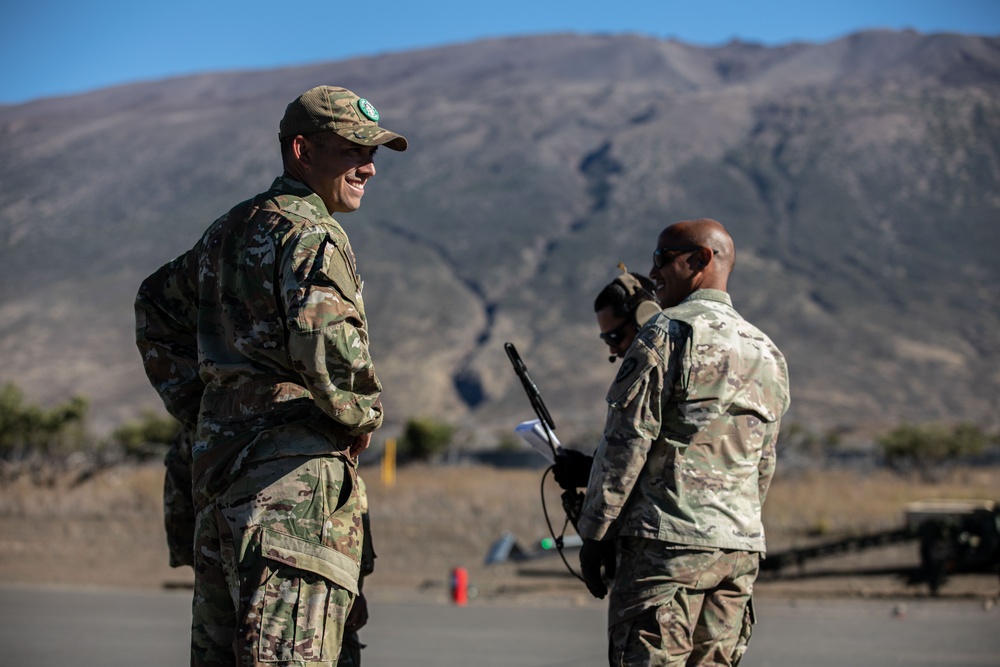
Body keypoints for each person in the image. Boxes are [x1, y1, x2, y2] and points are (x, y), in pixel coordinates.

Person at [135, 85, 407, 667]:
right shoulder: (311, 234)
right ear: (302, 151)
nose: (369, 168)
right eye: (354, 150)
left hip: (222, 488)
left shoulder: (228, 232)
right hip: (290, 497)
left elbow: (155, 307)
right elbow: (324, 337)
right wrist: (359, 416)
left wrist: (207, 407)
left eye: (374, 153)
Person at [576, 219, 790, 666]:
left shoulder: (667, 333)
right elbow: (762, 464)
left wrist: (594, 534)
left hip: (666, 554)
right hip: (737, 553)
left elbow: (626, 443)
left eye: (662, 259)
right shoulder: (767, 351)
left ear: (701, 260)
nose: (652, 274)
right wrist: (736, 528)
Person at [553, 267, 660, 491]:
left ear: (645, 319)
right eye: (606, 340)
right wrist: (593, 468)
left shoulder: (666, 374)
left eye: (615, 337)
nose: (613, 350)